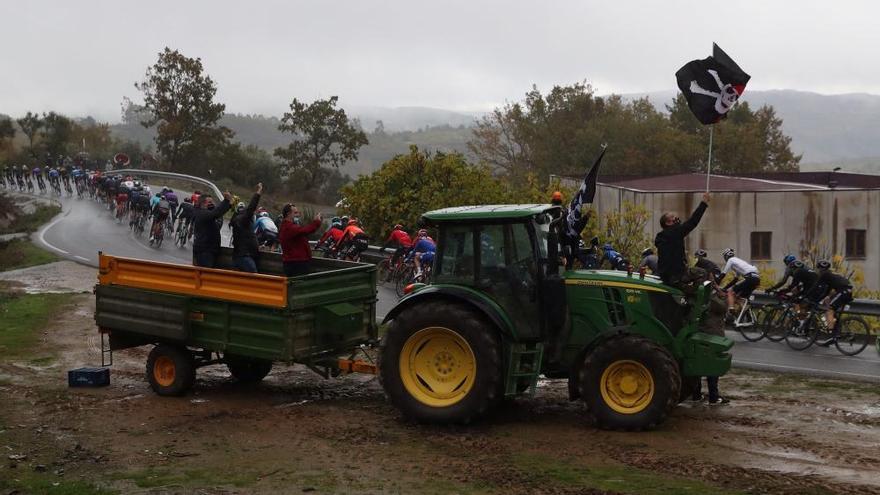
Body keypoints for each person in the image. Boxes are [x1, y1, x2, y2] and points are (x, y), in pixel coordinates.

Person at [654, 192, 710, 288]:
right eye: (673, 217)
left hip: (665, 277)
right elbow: (693, 221)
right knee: (702, 273)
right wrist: (704, 203)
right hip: (677, 276)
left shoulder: (662, 236)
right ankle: (693, 298)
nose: (676, 218)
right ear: (667, 223)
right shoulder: (675, 233)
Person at [279, 203, 322, 276]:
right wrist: (316, 222)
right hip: (296, 263)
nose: (298, 215)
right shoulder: (289, 227)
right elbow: (306, 230)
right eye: (295, 213)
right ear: (288, 214)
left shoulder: (288, 227)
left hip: (295, 262)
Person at [810, 260, 853, 333]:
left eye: (818, 268)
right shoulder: (830, 275)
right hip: (846, 290)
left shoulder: (824, 274)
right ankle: (835, 326)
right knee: (829, 301)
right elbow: (826, 292)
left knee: (830, 309)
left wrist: (809, 296)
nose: (817, 271)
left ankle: (831, 332)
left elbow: (816, 286)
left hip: (843, 291)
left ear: (821, 269)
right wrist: (819, 299)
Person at [192, 192, 232, 268]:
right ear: (202, 204)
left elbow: (217, 214)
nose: (212, 204)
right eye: (209, 202)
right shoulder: (202, 213)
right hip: (204, 251)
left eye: (212, 202)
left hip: (210, 250)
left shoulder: (209, 215)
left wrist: (229, 205)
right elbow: (216, 213)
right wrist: (226, 201)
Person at [230, 183, 263, 273]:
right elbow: (251, 208)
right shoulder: (242, 220)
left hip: (245, 255)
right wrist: (258, 193)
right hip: (244, 257)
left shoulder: (240, 222)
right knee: (254, 278)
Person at [719, 248, 760, 318]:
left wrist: (718, 283)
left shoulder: (730, 260)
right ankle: (748, 316)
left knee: (730, 292)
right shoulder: (738, 263)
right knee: (739, 297)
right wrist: (724, 288)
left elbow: (723, 274)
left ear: (726, 256)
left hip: (750, 278)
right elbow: (735, 280)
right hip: (756, 279)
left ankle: (731, 309)